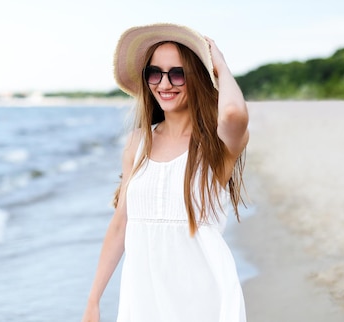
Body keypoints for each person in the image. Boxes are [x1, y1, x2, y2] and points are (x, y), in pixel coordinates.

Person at [82, 23, 249, 322]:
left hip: (203, 303)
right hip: (144, 301)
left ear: (197, 77)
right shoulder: (137, 143)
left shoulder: (216, 144)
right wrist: (93, 300)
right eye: (154, 73)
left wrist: (220, 66)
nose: (164, 83)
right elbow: (121, 224)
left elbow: (234, 113)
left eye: (178, 73)